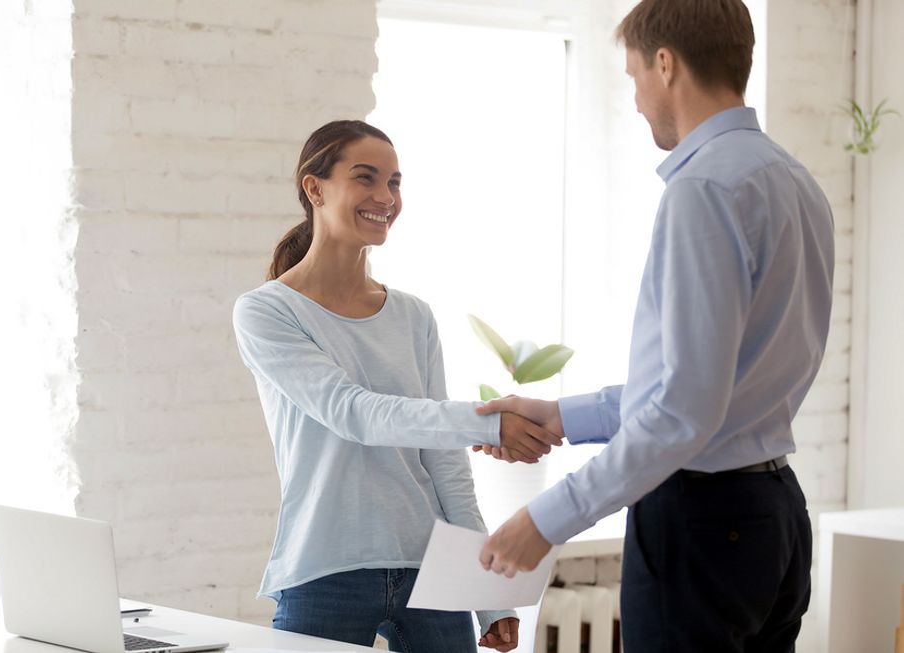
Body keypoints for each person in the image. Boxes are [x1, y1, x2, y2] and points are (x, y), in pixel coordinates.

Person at [475, 1, 835, 651]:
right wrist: (561, 414)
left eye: (635, 73)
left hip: (702, 523)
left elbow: (682, 411)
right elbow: (715, 384)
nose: (636, 99)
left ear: (666, 63)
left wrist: (547, 517)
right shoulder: (796, 181)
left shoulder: (704, 190)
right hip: (776, 515)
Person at [233, 120, 560, 652]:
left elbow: (445, 465)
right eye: (366, 178)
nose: (385, 197)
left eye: (395, 182)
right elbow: (353, 413)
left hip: (432, 569)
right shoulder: (267, 311)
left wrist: (490, 594)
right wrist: (488, 420)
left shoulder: (413, 316)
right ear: (314, 188)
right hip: (325, 569)